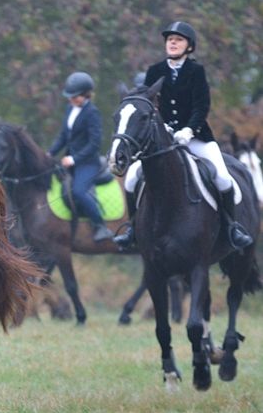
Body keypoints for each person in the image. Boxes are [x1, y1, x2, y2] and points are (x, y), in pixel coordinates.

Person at [114, 21, 253, 250]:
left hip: (196, 137)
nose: (173, 43)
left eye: (178, 40)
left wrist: (189, 130)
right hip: (161, 140)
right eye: (170, 40)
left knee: (222, 177)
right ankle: (132, 229)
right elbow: (146, 106)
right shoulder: (155, 71)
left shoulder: (196, 72)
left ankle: (231, 227)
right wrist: (163, 129)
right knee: (130, 179)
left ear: (189, 46)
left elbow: (201, 106)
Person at [48, 72, 114, 242]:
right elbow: (63, 136)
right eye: (70, 97)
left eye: (74, 97)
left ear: (86, 94)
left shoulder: (92, 113)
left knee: (78, 191)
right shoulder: (70, 108)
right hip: (71, 160)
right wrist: (50, 153)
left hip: (87, 163)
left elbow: (94, 144)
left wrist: (74, 159)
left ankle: (100, 225)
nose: (71, 100)